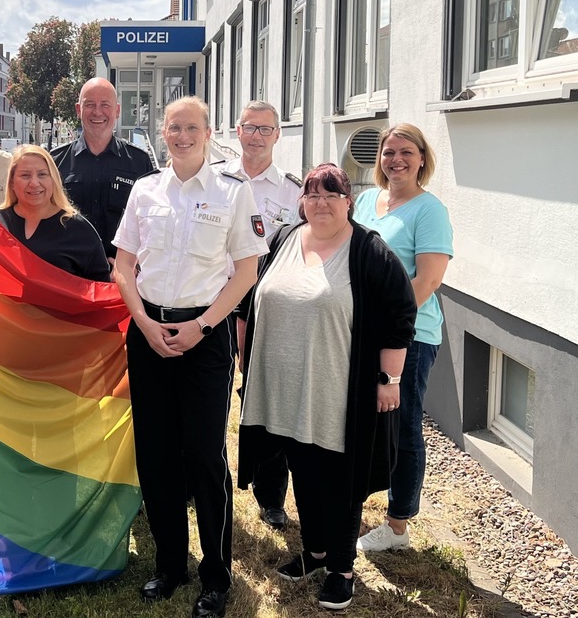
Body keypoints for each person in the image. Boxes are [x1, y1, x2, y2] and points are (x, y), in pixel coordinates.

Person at [112, 96, 267, 618]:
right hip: (149, 330)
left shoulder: (232, 192)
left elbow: (246, 271)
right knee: (155, 454)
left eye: (191, 127)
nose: (181, 135)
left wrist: (202, 326)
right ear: (162, 132)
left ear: (208, 133)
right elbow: (123, 266)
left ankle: (216, 577)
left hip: (206, 332)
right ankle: (170, 565)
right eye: (173, 127)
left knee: (204, 454)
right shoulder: (144, 190)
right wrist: (143, 323)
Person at [237, 163, 417, 610]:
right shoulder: (283, 239)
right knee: (302, 470)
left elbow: (400, 316)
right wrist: (246, 364)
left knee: (338, 480)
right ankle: (315, 552)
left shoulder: (369, 251)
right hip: (282, 389)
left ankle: (341, 568)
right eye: (312, 195)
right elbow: (251, 300)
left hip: (336, 390)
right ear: (302, 202)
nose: (320, 203)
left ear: (348, 201)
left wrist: (389, 380)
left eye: (331, 195)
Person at [353, 124, 454, 553]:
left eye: (406, 152)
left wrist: (385, 325)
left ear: (422, 159)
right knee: (364, 419)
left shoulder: (428, 210)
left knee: (403, 425)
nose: (396, 159)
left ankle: (397, 525)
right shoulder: (365, 200)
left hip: (410, 336)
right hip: (361, 331)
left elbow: (427, 281)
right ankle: (354, 501)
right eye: (389, 151)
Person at [217, 100, 303, 531]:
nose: (256, 136)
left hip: (267, 307)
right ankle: (204, 480)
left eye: (265, 129)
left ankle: (271, 497)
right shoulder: (213, 179)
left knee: (268, 399)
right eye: (249, 127)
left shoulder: (293, 191)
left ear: (277, 135)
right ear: (237, 130)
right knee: (210, 397)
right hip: (214, 304)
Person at [52, 77, 158, 261]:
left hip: (120, 275)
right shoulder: (55, 162)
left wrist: (131, 266)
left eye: (105, 105)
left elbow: (151, 222)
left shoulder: (139, 162)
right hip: (68, 274)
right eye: (90, 104)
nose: (98, 112)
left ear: (117, 110)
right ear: (79, 110)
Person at [0, 145, 109, 281]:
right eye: (25, 175)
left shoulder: (79, 230)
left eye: (42, 174)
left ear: (53, 180)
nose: (34, 183)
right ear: (12, 182)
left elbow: (100, 289)